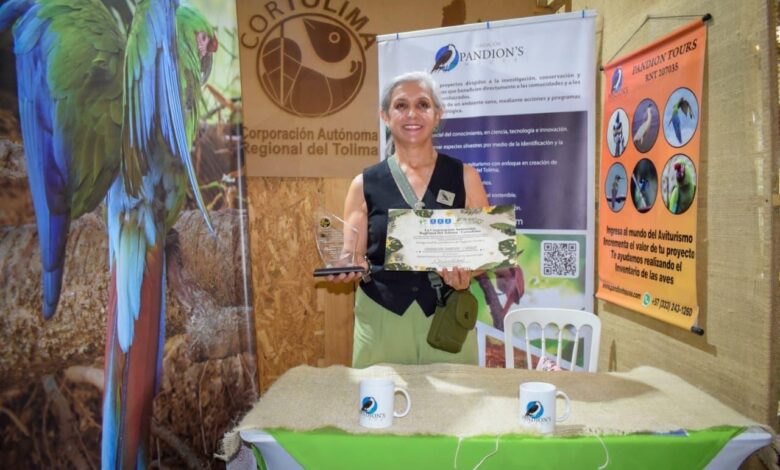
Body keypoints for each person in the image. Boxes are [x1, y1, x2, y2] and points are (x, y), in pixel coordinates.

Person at [329, 71, 489, 368]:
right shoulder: (364, 184)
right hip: (382, 316)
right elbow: (352, 255)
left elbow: (485, 252)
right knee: (378, 396)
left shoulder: (465, 176)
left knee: (454, 396)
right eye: (401, 105)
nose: (412, 114)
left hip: (446, 315)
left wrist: (467, 272)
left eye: (423, 105)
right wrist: (347, 266)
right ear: (385, 116)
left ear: (438, 115)